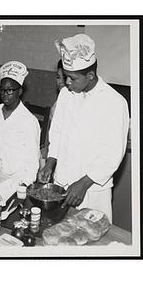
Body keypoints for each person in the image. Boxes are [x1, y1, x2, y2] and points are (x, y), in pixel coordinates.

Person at [37, 34, 129, 221]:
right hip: (62, 181)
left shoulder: (115, 102)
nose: (67, 82)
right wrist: (50, 162)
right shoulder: (66, 95)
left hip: (93, 190)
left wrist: (84, 183)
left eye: (72, 78)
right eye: (65, 77)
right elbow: (57, 132)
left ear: (90, 75)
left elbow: (112, 154)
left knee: (92, 239)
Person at [0, 61, 41, 186]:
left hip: (17, 180)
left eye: (10, 90)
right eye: (2, 90)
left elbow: (33, 157)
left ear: (19, 91)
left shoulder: (29, 120)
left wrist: (26, 184)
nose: (5, 94)